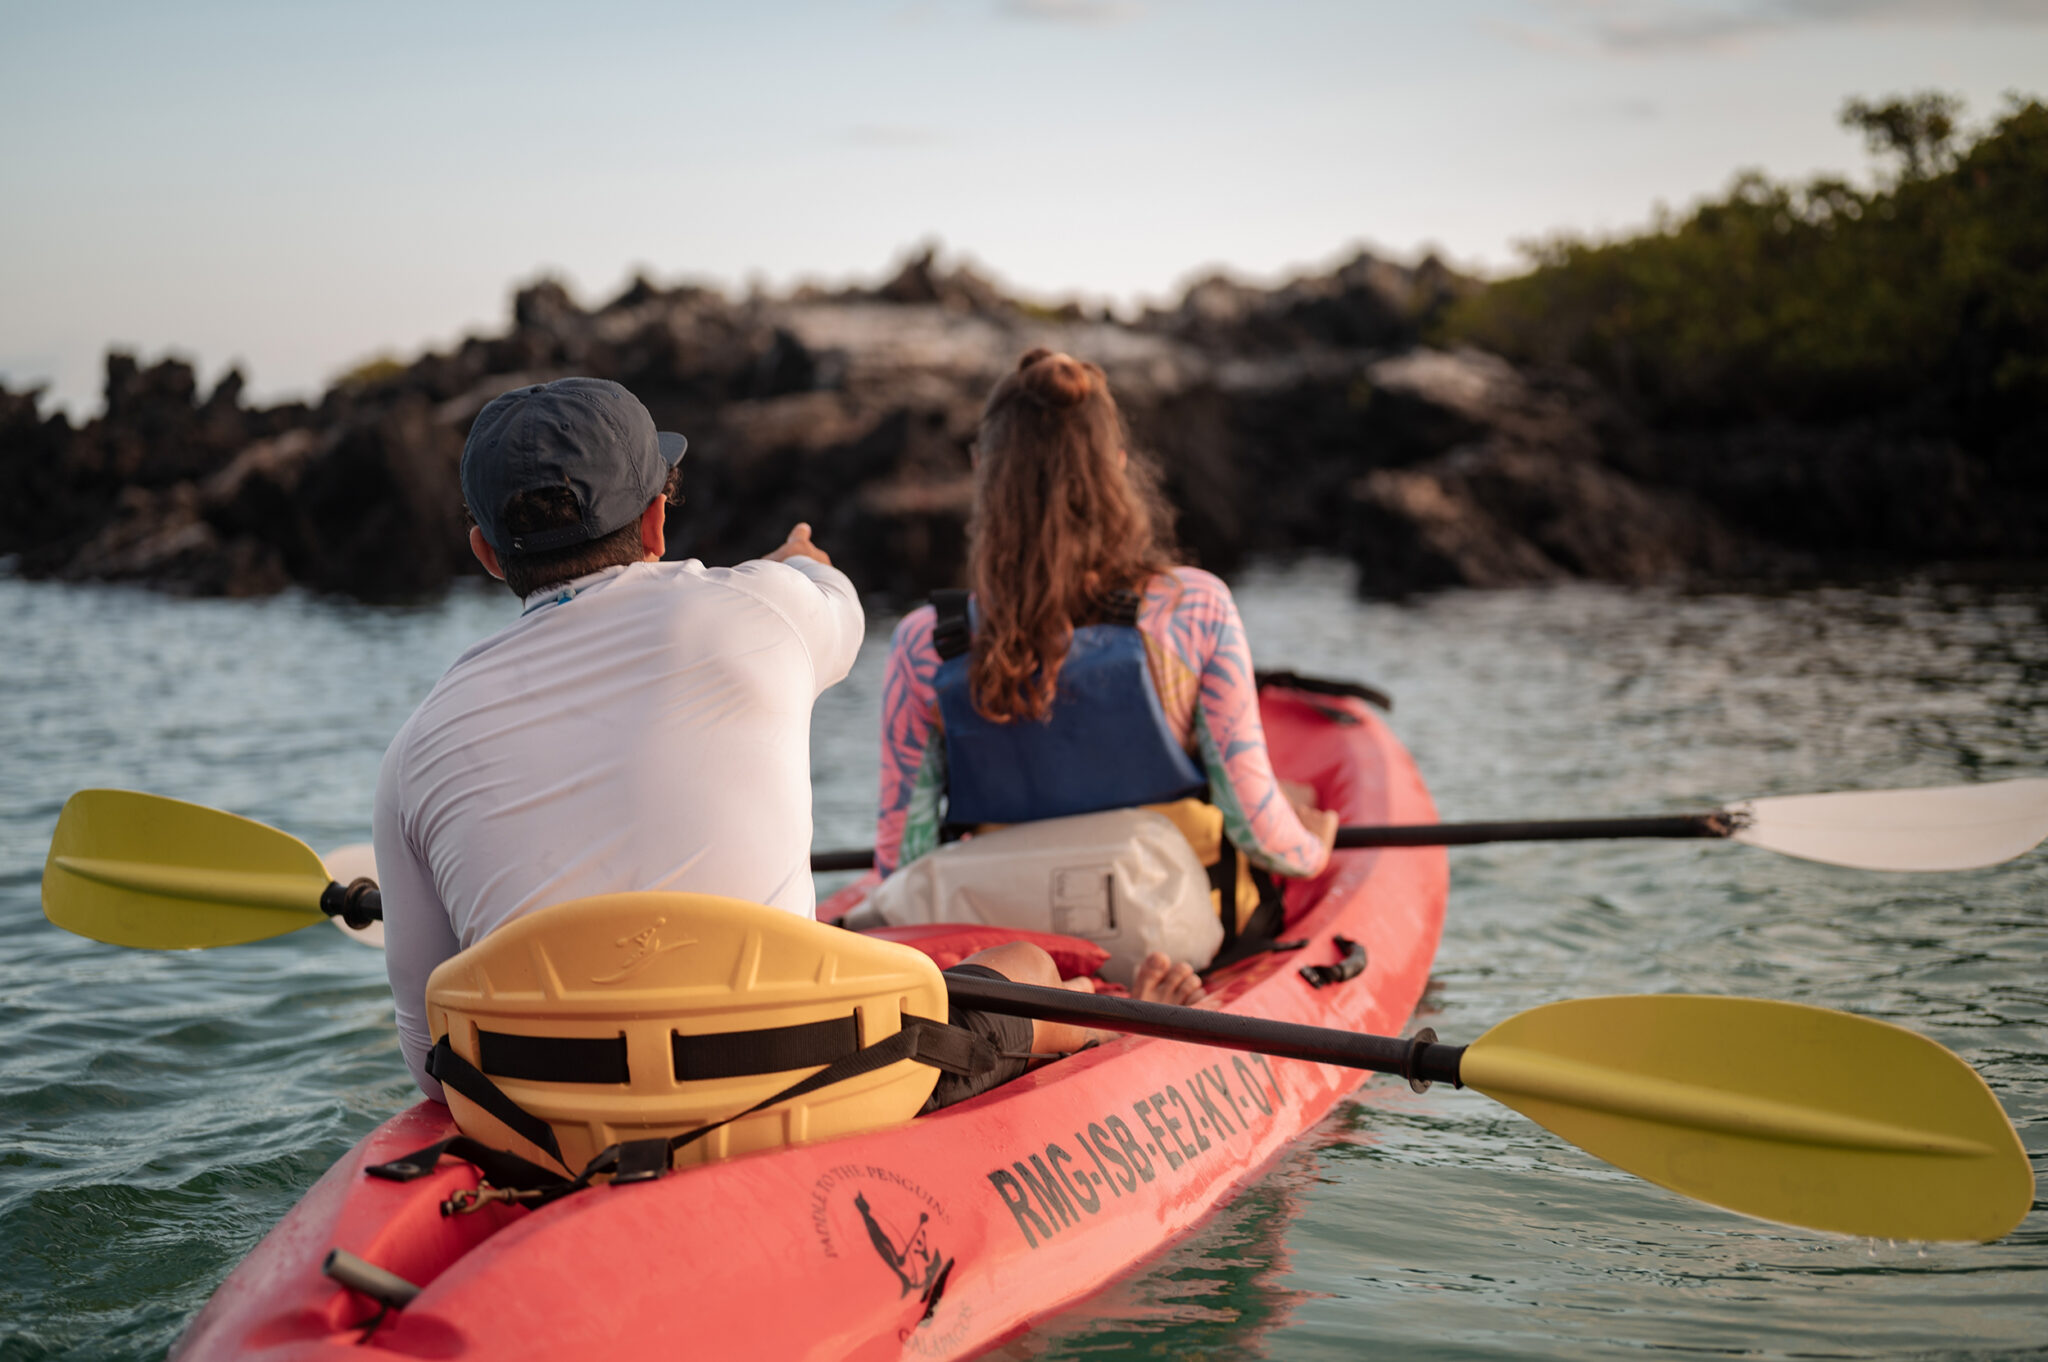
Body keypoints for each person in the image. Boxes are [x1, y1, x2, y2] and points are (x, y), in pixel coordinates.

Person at [374, 376, 1093, 1118]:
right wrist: (798, 564)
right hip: (806, 1080)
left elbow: (432, 1063)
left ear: (487, 554)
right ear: (656, 521)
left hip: (554, 1120)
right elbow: (834, 604)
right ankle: (1077, 1016)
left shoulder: (413, 747)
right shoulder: (762, 608)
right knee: (1029, 965)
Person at [872, 349, 1342, 1000]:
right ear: (1115, 471)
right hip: (1182, 937)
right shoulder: (1192, 608)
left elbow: (904, 861)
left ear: (984, 474)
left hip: (1005, 951)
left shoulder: (925, 641)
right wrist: (1314, 843)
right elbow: (1257, 831)